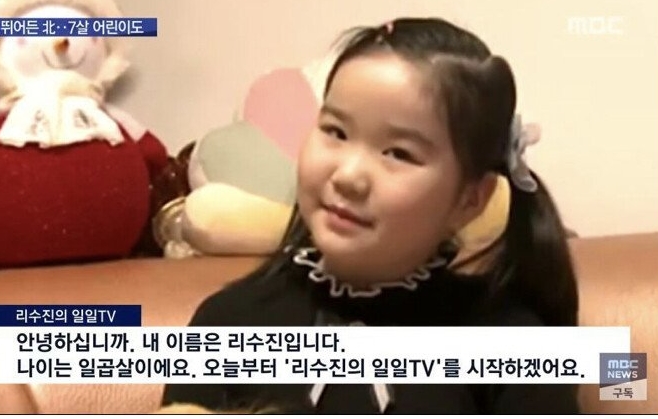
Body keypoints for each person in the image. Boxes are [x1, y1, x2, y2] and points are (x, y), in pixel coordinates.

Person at [161, 17, 579, 414]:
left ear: (470, 200)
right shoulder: (226, 323)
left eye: (398, 153)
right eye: (335, 131)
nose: (348, 176)